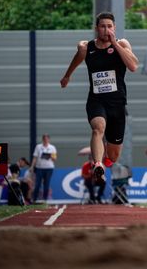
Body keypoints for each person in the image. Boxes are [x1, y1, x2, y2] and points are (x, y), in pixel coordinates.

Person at [60, 12, 138, 186]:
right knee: (98, 128)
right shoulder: (86, 47)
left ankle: (107, 160)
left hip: (117, 103)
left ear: (114, 28)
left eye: (109, 26)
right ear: (96, 29)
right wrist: (67, 76)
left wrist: (115, 44)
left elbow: (133, 66)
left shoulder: (122, 44)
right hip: (97, 100)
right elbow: (77, 58)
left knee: (114, 155)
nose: (106, 30)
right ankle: (97, 165)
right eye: (102, 26)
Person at [30, 133, 57, 203]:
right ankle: (34, 199)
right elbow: (35, 157)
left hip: (49, 168)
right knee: (37, 184)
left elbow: (54, 159)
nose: (45, 140)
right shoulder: (38, 147)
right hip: (39, 168)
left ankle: (45, 199)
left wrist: (50, 156)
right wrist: (32, 166)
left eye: (47, 139)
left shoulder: (52, 147)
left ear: (49, 139)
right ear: (42, 139)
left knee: (46, 184)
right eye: (44, 139)